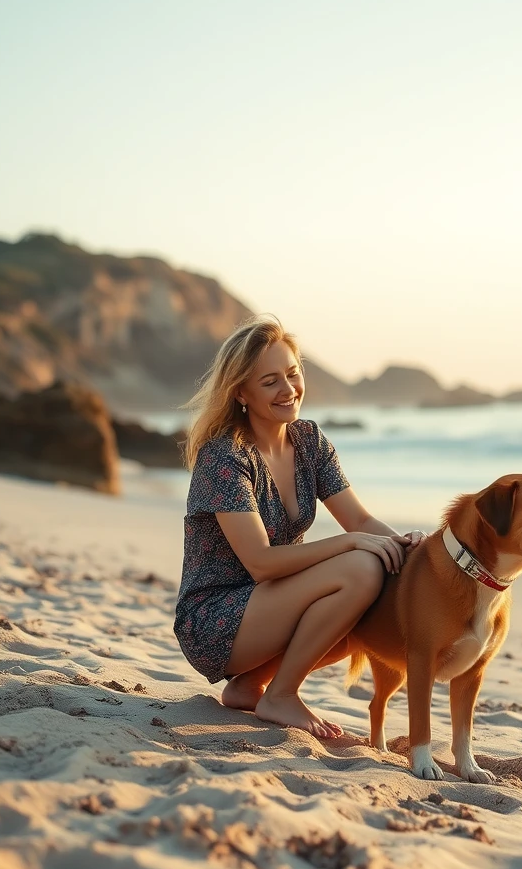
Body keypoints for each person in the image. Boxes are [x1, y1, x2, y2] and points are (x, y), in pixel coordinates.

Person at [174, 314, 426, 738]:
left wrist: (413, 547)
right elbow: (261, 563)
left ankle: (251, 686)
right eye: (270, 381)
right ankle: (281, 695)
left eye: (292, 374)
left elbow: (360, 519)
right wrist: (350, 544)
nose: (288, 389)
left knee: (379, 578)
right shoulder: (225, 458)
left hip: (271, 605)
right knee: (362, 569)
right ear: (241, 393)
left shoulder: (308, 440)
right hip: (215, 620)